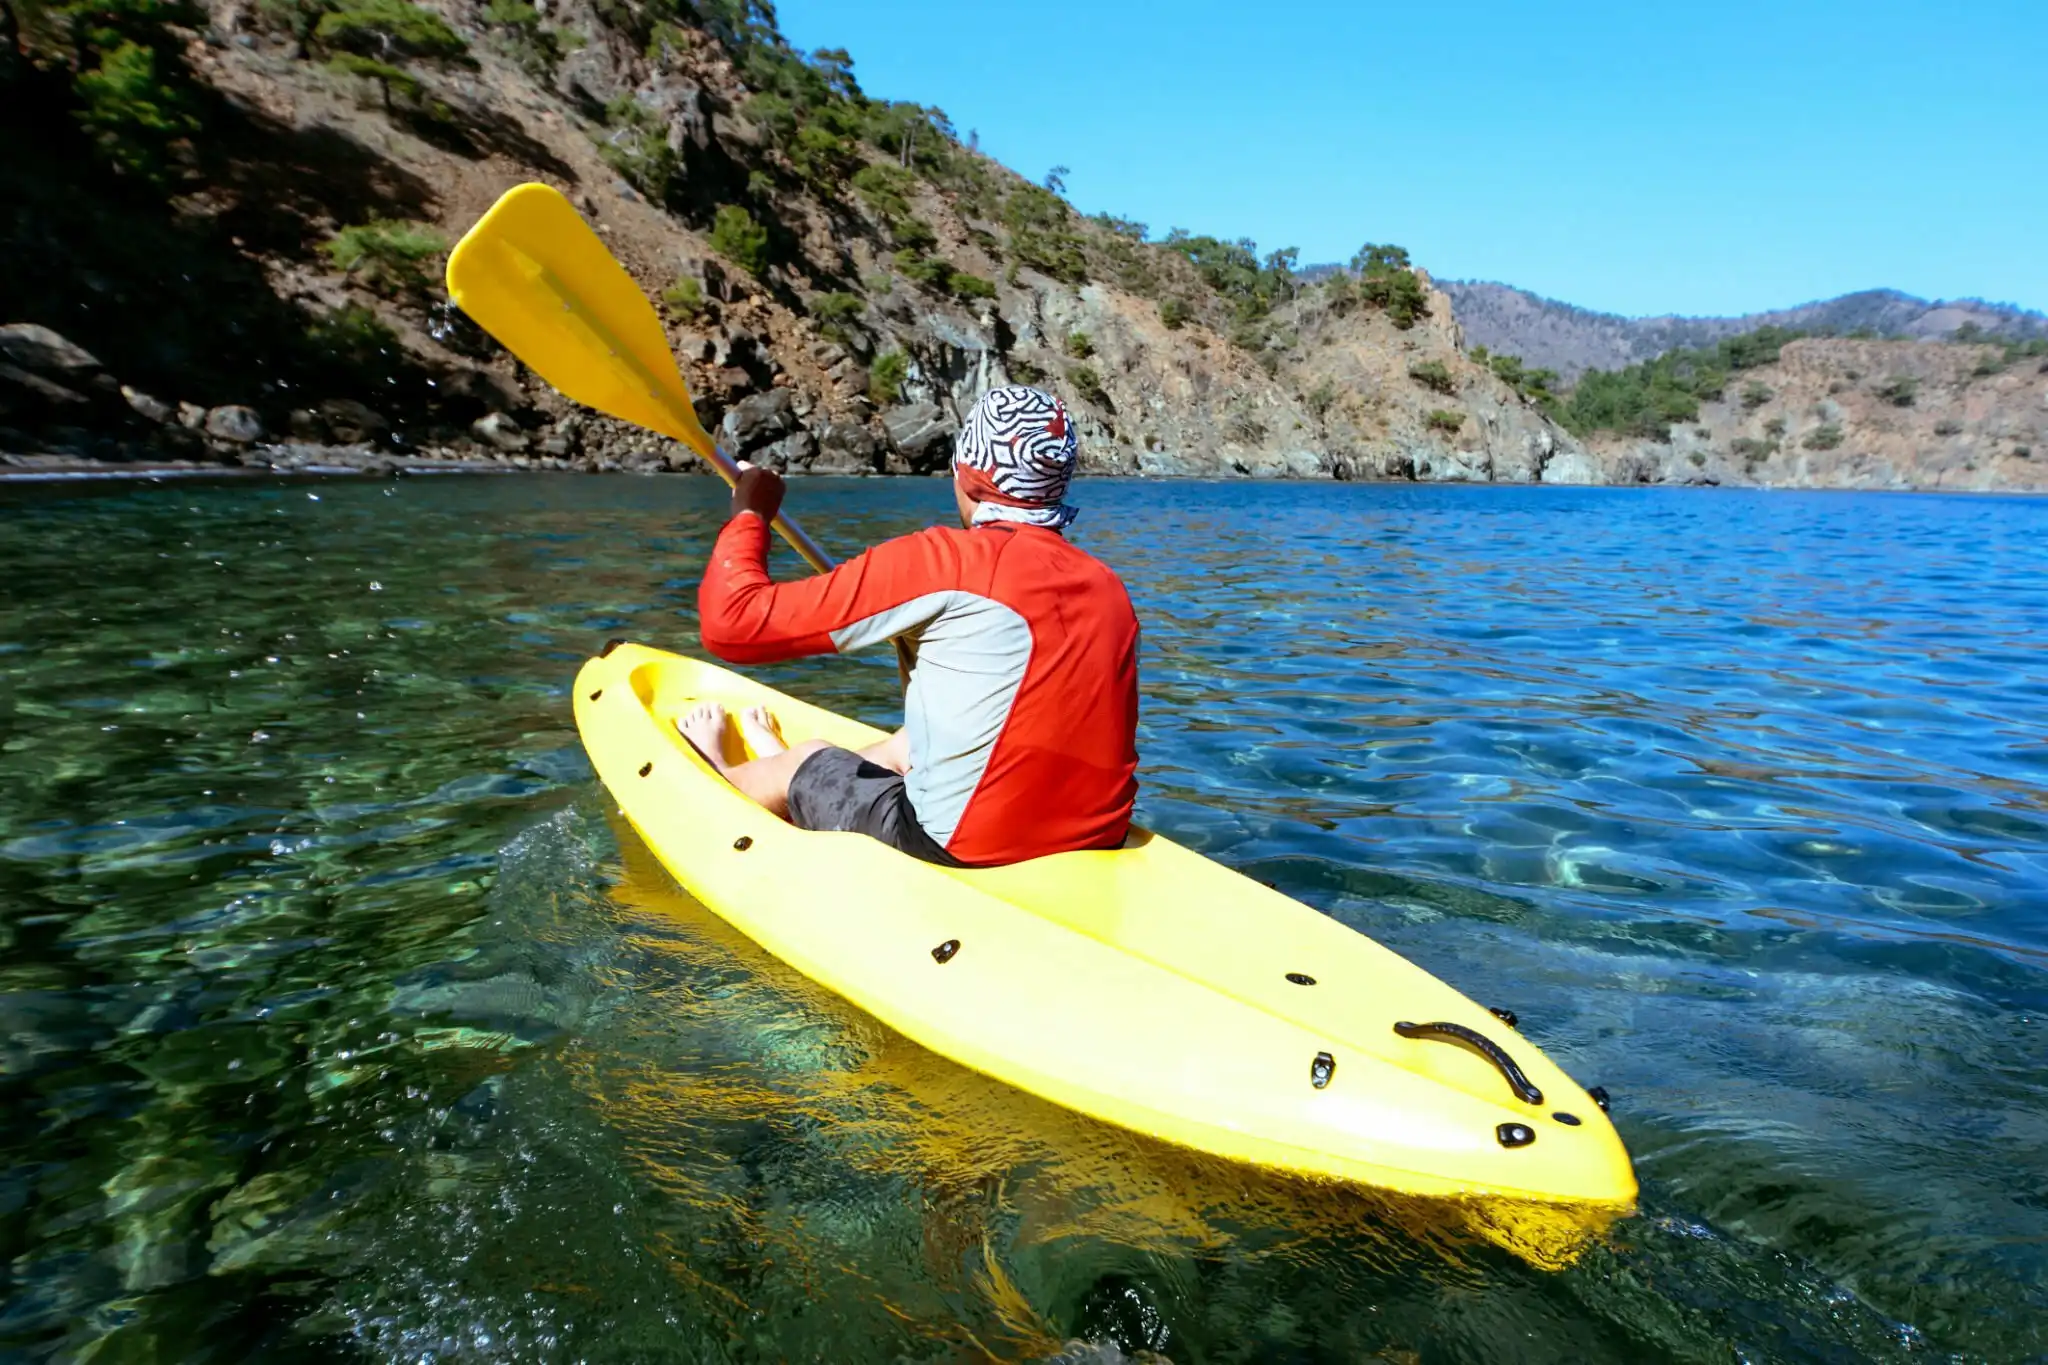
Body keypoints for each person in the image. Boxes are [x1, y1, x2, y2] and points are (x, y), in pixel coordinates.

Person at [680, 384, 1139, 867]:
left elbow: (731, 625)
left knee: (807, 756)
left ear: (967, 471)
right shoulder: (1108, 586)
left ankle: (739, 773)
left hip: (962, 846)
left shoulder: (944, 561)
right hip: (1095, 835)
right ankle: (781, 768)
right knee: (907, 743)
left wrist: (751, 513)